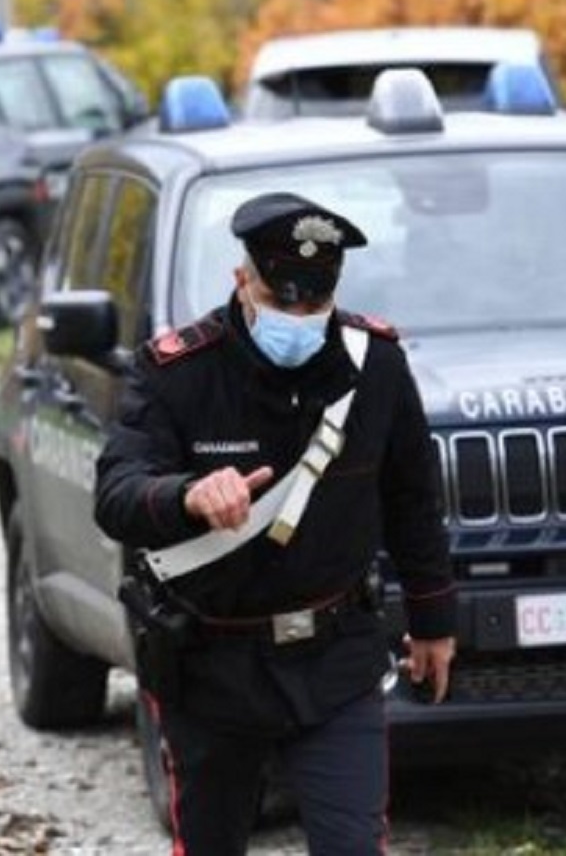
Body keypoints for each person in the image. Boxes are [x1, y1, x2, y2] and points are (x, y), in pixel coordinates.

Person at [94, 191, 457, 855]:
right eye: (278, 298)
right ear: (242, 280)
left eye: (311, 305)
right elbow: (116, 494)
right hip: (211, 663)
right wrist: (186, 496)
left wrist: (434, 621)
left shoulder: (374, 364)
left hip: (335, 655)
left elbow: (412, 499)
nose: (294, 317)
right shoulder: (178, 371)